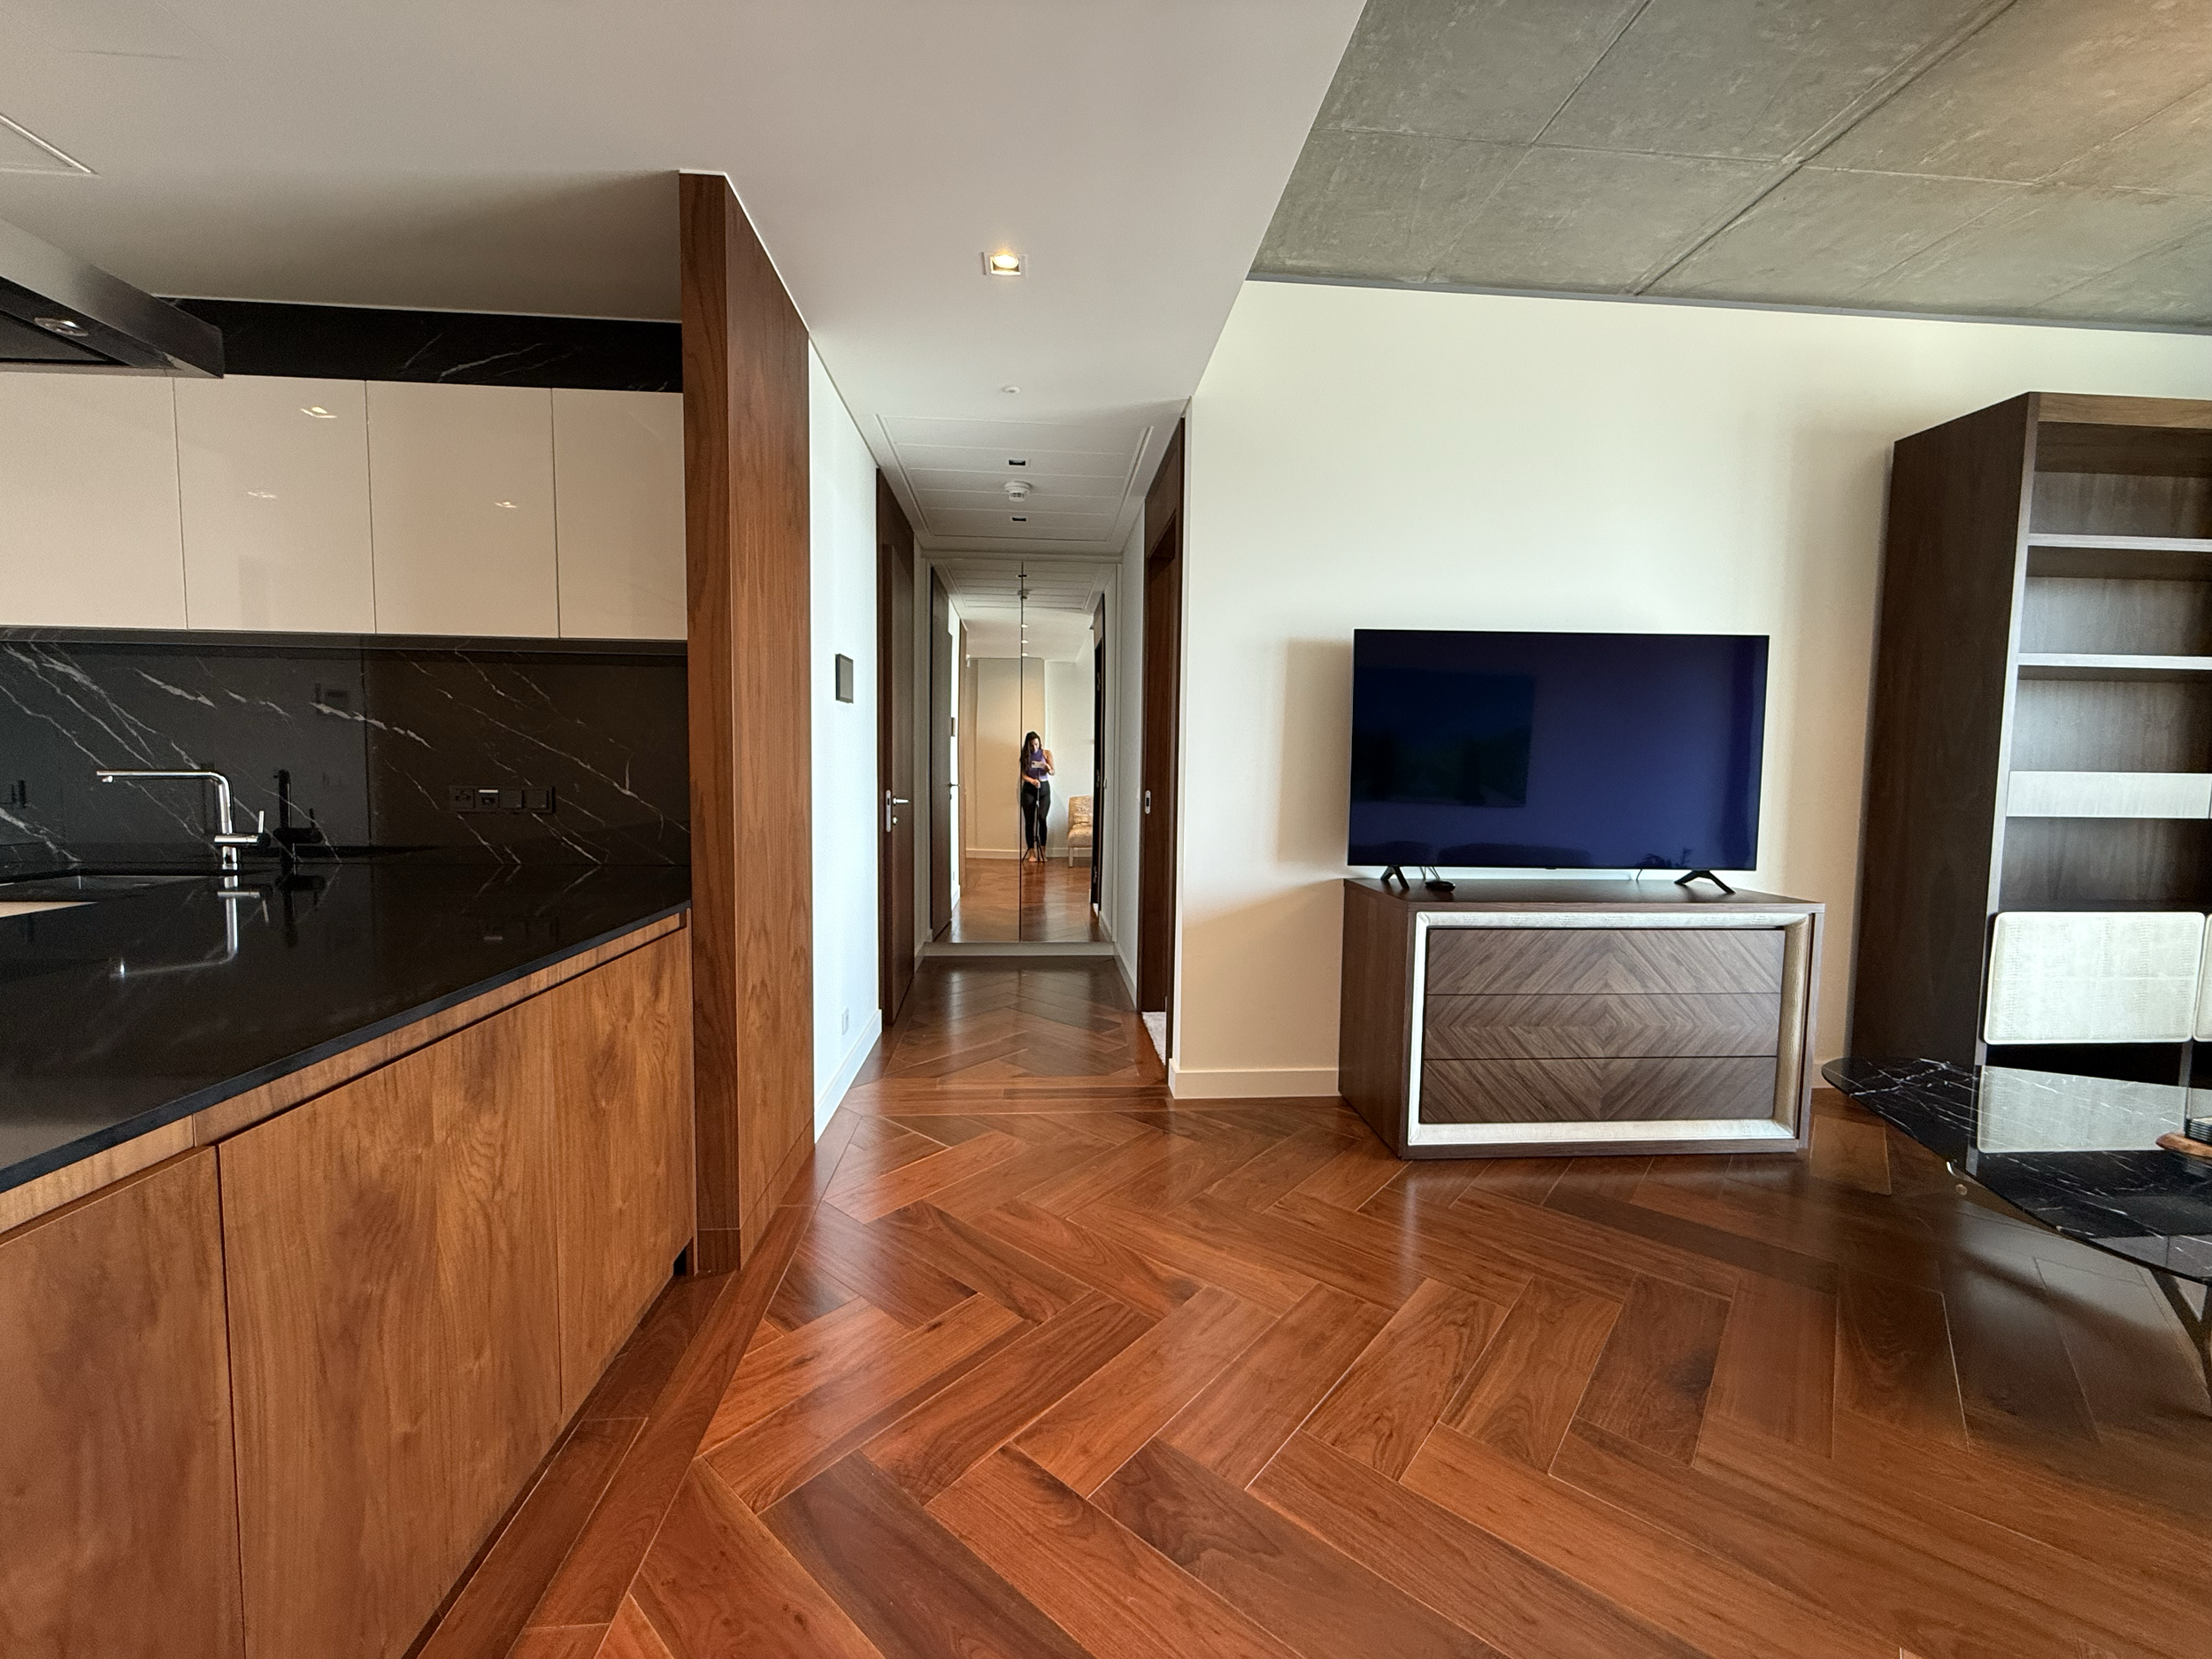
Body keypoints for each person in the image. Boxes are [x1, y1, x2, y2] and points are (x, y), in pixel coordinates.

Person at [1019, 731, 1054, 862]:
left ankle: (1043, 851)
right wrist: (1032, 781)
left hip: (1044, 787)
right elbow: (1023, 774)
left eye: (1036, 744)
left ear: (1039, 742)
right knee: (1029, 821)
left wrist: (1048, 768)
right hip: (1029, 788)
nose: (1034, 747)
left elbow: (1053, 772)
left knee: (1042, 817)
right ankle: (1031, 853)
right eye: (1032, 745)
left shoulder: (1046, 753)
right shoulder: (1025, 755)